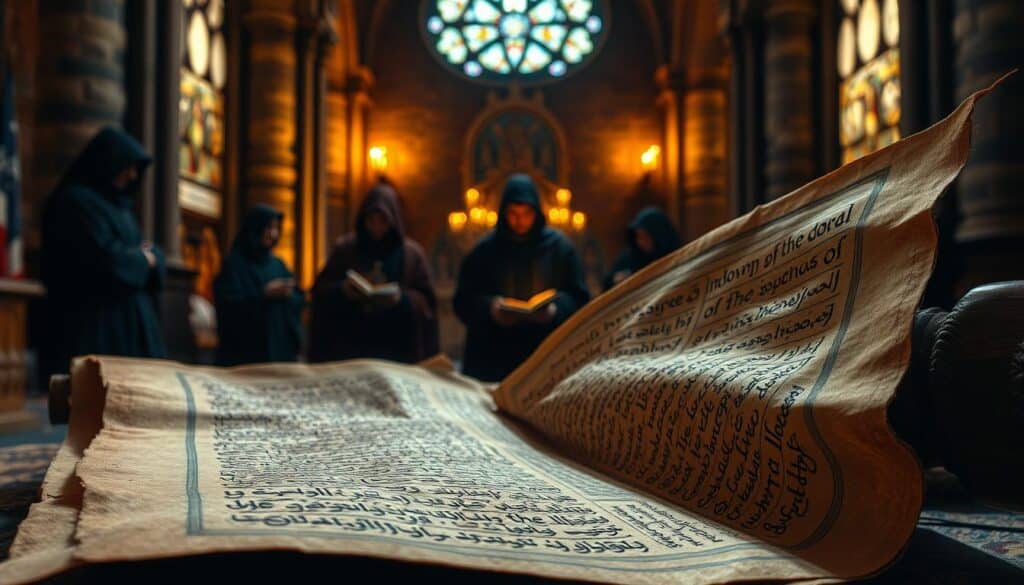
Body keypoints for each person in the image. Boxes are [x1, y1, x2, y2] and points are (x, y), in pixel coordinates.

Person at [40, 126, 165, 376]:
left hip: (134, 326)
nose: (132, 175)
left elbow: (151, 252)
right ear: (108, 161)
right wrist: (143, 258)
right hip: (96, 325)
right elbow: (104, 260)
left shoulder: (122, 208)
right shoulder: (76, 201)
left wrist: (146, 257)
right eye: (127, 166)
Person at [454, 174, 591, 382]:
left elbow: (580, 297)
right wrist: (490, 309)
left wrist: (555, 310)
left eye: (527, 213)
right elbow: (463, 301)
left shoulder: (559, 248)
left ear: (536, 212)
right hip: (494, 357)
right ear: (503, 212)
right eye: (513, 213)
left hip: (545, 357)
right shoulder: (484, 250)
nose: (520, 221)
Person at [309, 183, 439, 363]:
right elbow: (321, 291)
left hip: (397, 345)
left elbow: (427, 301)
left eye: (383, 220)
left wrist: (402, 300)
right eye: (372, 220)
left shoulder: (411, 254)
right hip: (352, 346)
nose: (376, 227)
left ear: (393, 220)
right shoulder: (345, 249)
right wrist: (343, 291)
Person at [213, 205, 304, 366]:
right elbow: (228, 305)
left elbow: (298, 298)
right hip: (246, 353)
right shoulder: (234, 264)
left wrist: (289, 294)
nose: (273, 234)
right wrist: (263, 294)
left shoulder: (278, 264)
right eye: (269, 228)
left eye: (276, 228)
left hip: (279, 349)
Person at [602, 206, 681, 291]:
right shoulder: (628, 258)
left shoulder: (676, 256)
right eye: (638, 236)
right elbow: (607, 284)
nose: (640, 242)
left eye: (646, 237)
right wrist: (616, 280)